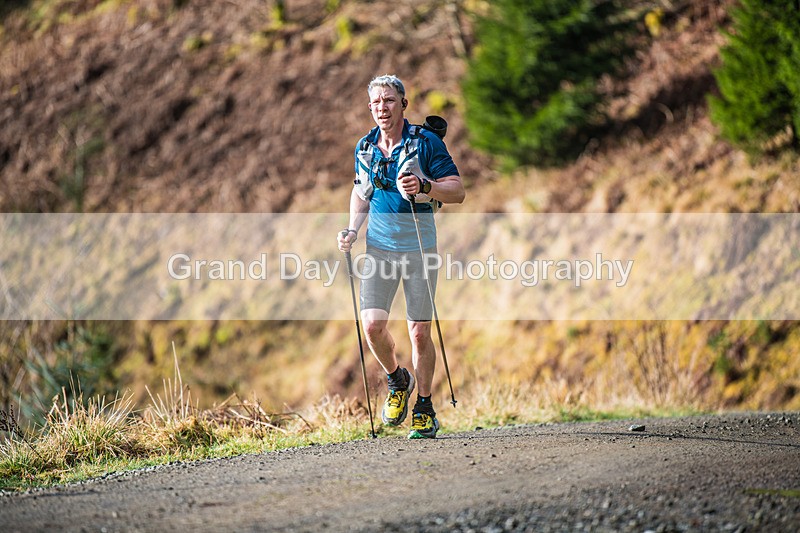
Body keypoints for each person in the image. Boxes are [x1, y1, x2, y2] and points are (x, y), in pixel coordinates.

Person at [337, 74, 465, 439]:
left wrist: (426, 186)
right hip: (379, 248)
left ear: (403, 104)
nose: (383, 107)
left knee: (419, 333)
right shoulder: (365, 147)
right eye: (377, 102)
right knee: (372, 327)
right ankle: (398, 381)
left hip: (420, 247)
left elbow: (457, 191)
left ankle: (424, 407)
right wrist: (352, 229)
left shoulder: (425, 143)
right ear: (370, 108)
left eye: (389, 100)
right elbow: (360, 192)